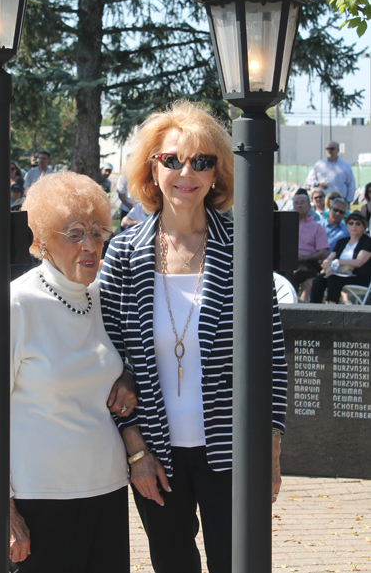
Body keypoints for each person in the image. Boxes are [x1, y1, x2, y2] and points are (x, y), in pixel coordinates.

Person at [99, 100, 287, 573]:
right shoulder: (124, 255)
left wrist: (272, 447)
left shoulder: (243, 247)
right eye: (174, 160)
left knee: (237, 562)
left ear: (217, 172)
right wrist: (135, 450)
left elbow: (273, 358)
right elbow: (109, 362)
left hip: (232, 450)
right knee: (172, 563)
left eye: (202, 161)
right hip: (155, 453)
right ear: (151, 168)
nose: (188, 172)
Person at [8, 171, 136, 573]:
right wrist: (1, 508)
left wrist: (128, 377)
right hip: (39, 495)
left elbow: (128, 357)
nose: (90, 245)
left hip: (108, 488)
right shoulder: (17, 304)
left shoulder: (103, 296)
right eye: (75, 233)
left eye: (98, 233)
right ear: (42, 240)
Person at [310, 210, 371, 304]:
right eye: (351, 223)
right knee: (318, 280)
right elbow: (330, 258)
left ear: (363, 226)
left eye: (357, 223)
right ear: (347, 226)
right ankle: (313, 308)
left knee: (334, 279)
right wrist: (326, 264)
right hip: (338, 274)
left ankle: (332, 307)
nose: (354, 226)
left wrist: (338, 262)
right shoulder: (342, 242)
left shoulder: (367, 242)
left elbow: (359, 262)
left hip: (358, 277)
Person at [285, 193, 329, 301]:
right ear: (293, 207)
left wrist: (306, 258)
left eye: (302, 203)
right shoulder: (286, 225)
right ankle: (291, 301)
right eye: (296, 203)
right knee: (288, 268)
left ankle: (297, 300)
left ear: (310, 207)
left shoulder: (317, 228)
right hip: (288, 261)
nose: (299, 205)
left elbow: (323, 252)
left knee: (298, 270)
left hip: (309, 262)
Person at [306, 141, 356, 206]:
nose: (329, 151)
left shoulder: (345, 166)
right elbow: (309, 180)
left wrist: (348, 201)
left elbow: (351, 184)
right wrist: (318, 184)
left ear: (337, 150)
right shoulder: (319, 164)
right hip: (322, 201)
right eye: (327, 149)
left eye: (332, 149)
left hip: (340, 201)